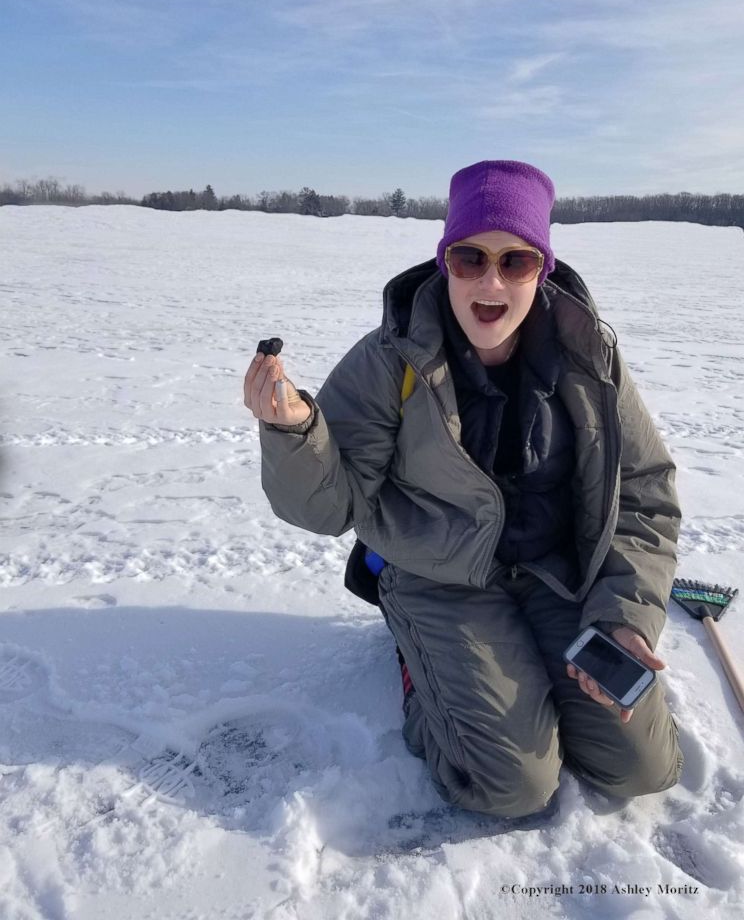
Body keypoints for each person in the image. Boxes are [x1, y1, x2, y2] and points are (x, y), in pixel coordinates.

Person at [244, 160, 684, 819]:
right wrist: (294, 434)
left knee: (642, 767)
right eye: (470, 257)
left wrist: (624, 616)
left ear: (544, 266)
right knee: (513, 786)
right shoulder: (389, 360)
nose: (491, 281)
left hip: (556, 575)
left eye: (517, 261)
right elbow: (330, 505)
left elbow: (645, 497)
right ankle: (418, 665)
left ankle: (526, 662)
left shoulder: (589, 356)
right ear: (444, 259)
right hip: (439, 580)